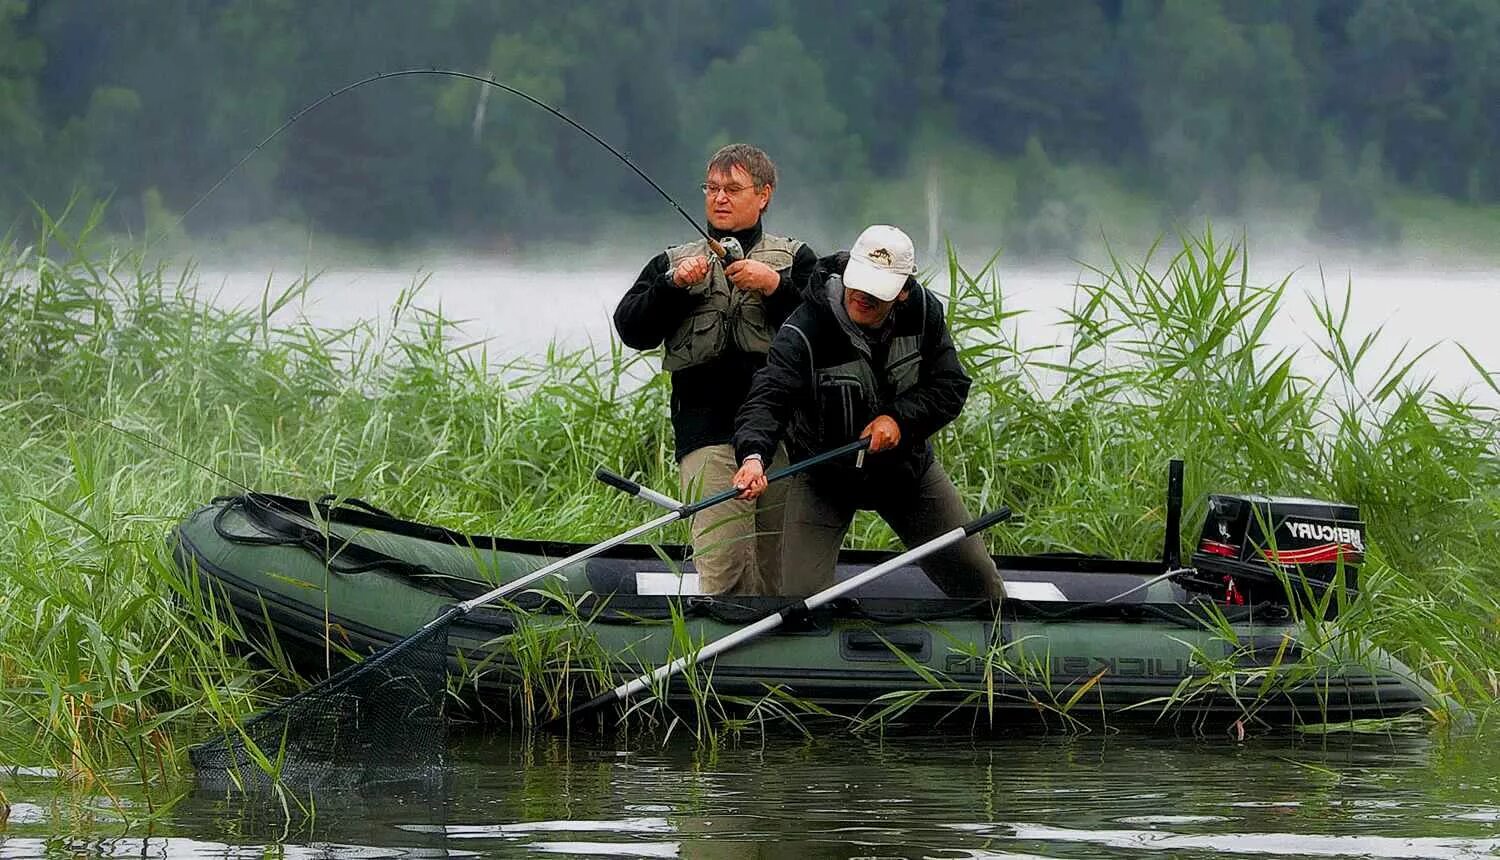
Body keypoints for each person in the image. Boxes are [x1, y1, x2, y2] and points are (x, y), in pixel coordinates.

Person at [729, 224, 1005, 600]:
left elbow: (950, 385)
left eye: (879, 290)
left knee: (980, 583)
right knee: (801, 598)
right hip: (823, 478)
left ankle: (1001, 650)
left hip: (908, 472)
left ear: (903, 291)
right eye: (859, 283)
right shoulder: (804, 329)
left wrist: (899, 419)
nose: (863, 296)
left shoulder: (923, 313)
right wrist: (753, 456)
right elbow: (768, 396)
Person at [613, 144, 818, 596]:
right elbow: (630, 328)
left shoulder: (797, 260)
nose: (719, 198)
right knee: (723, 568)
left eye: (732, 188)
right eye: (712, 188)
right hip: (705, 435)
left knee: (778, 573)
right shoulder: (671, 263)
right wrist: (671, 288)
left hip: (783, 438)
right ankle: (721, 661)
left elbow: (828, 328)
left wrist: (776, 287)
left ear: (763, 195)